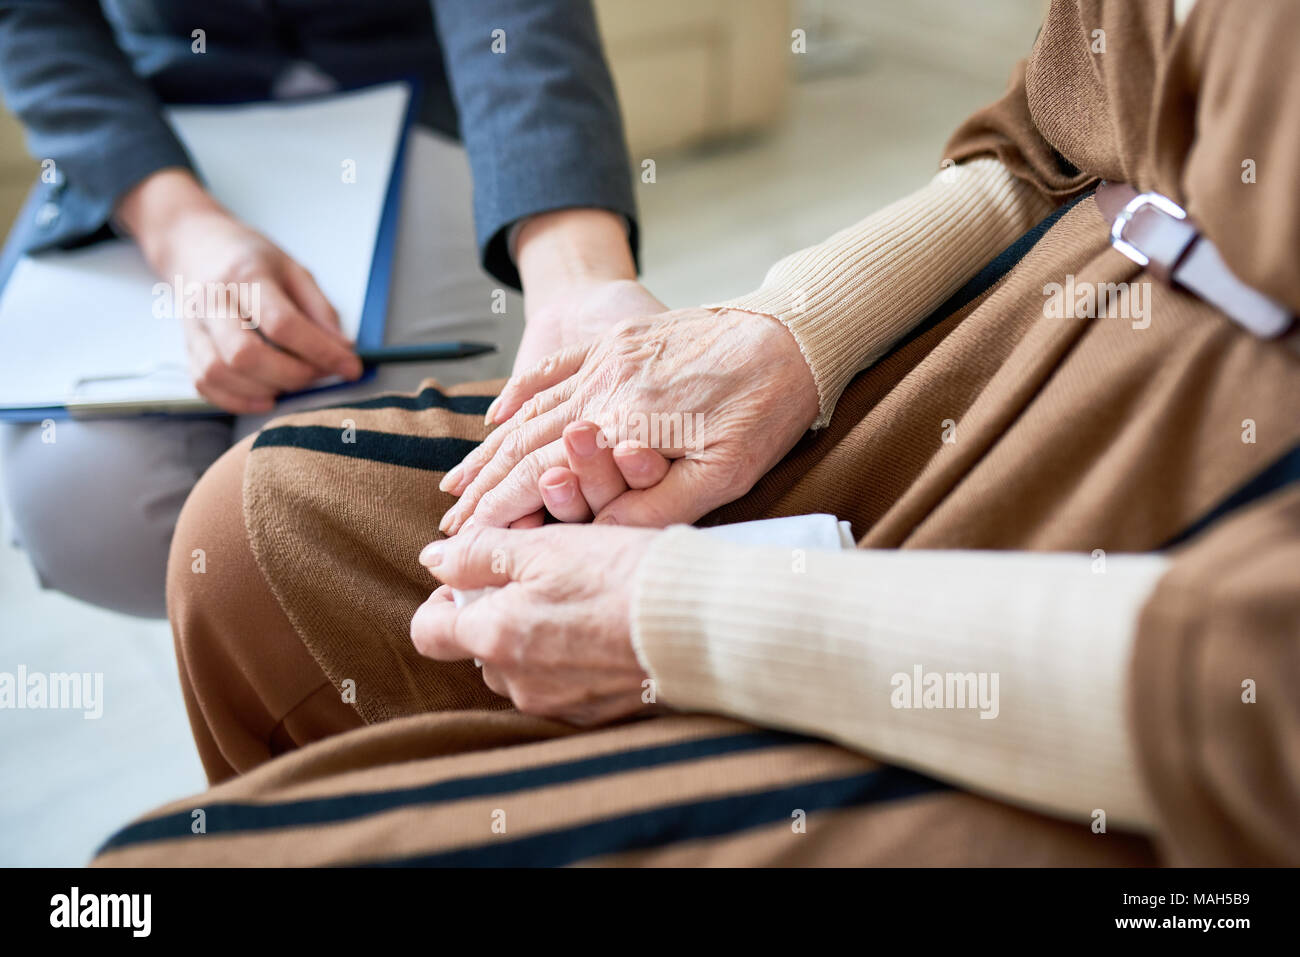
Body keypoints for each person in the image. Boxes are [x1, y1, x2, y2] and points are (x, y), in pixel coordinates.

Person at [96, 0, 1299, 866]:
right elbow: (1049, 134)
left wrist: (683, 622)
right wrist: (786, 332)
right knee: (261, 530)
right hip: (1004, 351)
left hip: (1183, 672)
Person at [0, 0, 660, 617]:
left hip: (419, 80)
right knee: (85, 510)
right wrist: (177, 226)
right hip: (155, 111)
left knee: (351, 491)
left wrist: (577, 278)